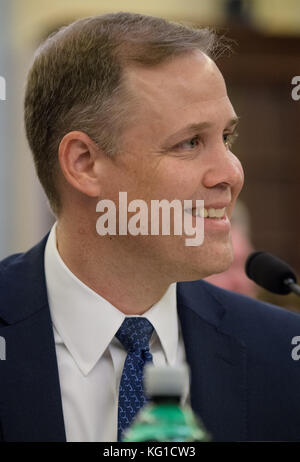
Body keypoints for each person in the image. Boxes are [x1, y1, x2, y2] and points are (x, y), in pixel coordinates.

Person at [0, 12, 300, 442]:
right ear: (84, 164)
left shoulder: (283, 354)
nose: (232, 173)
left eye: (227, 138)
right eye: (190, 142)